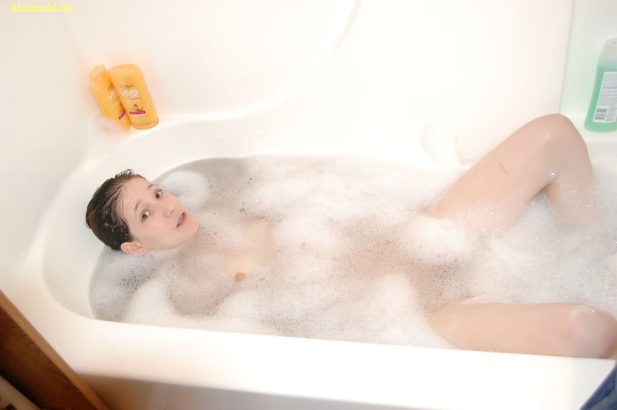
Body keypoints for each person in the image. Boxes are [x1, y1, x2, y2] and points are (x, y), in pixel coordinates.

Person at [85, 113, 617, 359]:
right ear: (135, 248)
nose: (167, 205)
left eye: (157, 191)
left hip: (426, 229)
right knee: (588, 331)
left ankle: (592, 242)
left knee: (553, 136)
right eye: (147, 213)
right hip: (428, 316)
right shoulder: (181, 299)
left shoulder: (236, 194)